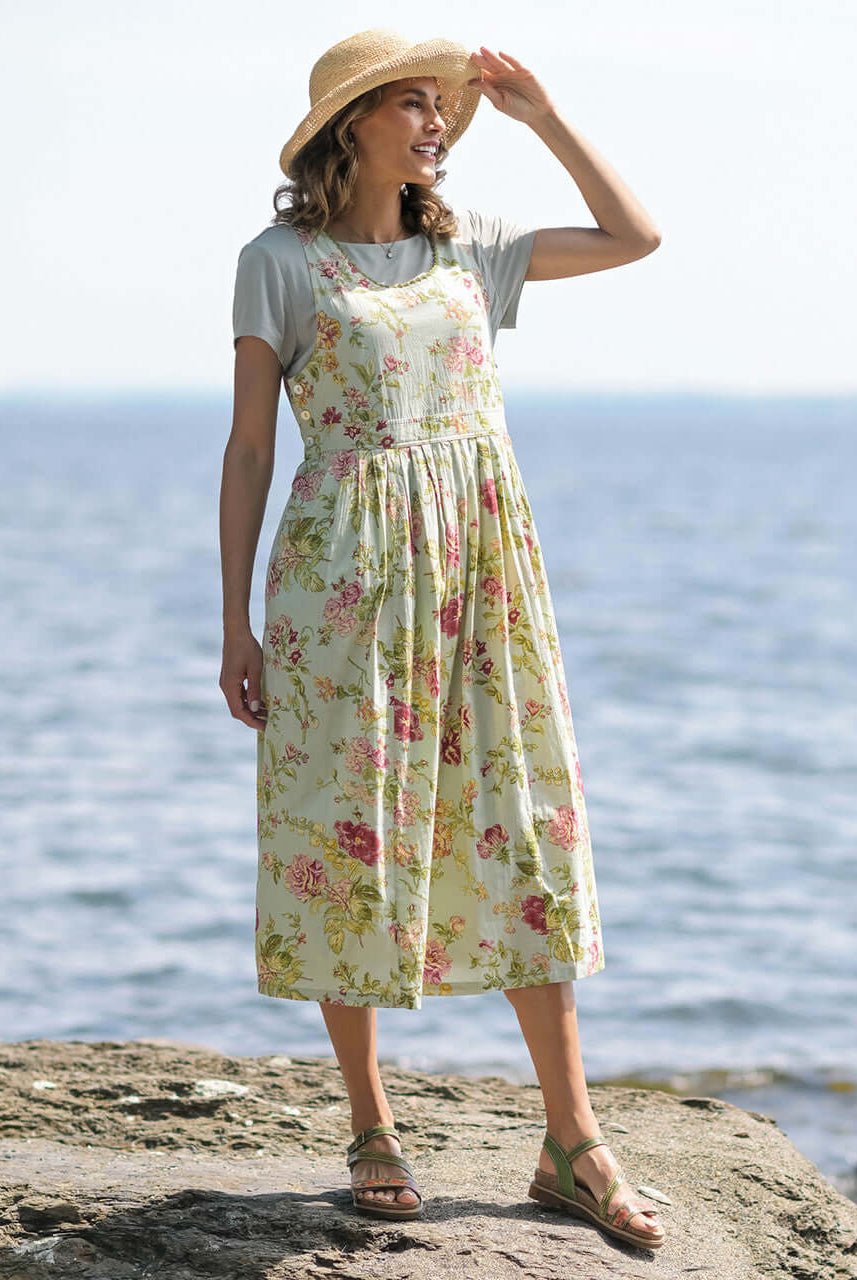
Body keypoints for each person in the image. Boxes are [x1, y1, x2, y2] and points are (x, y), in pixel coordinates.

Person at [220, 27, 664, 1250]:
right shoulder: (279, 264)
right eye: (408, 104)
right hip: (343, 580)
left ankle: (571, 1137)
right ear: (347, 127)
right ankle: (369, 1119)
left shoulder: (471, 247)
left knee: (519, 823)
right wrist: (234, 621)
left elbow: (634, 236)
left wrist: (544, 116)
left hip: (483, 567)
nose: (433, 123)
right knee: (344, 830)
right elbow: (250, 447)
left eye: (439, 106)